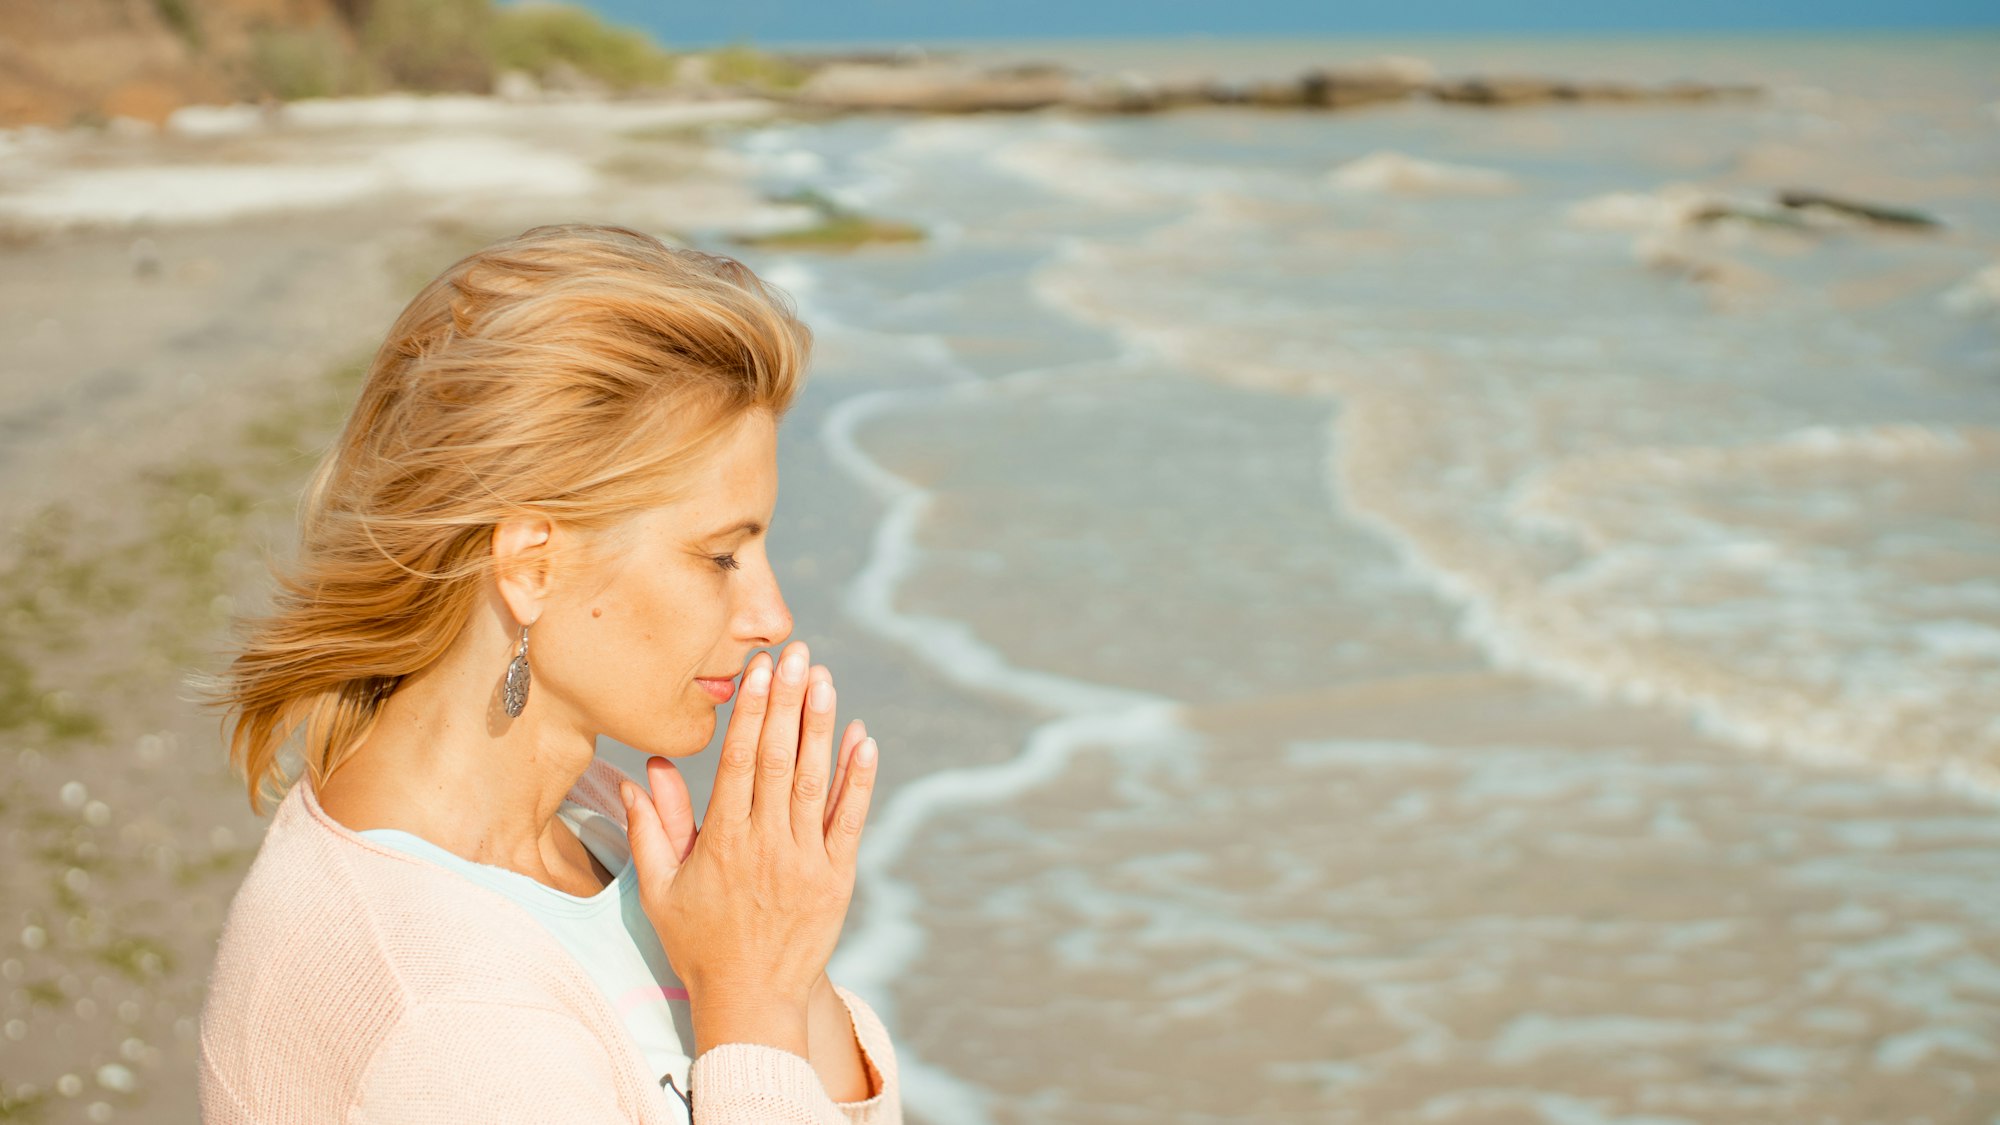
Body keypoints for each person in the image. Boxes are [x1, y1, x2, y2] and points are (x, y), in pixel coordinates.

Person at [193, 223, 900, 1124]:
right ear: (531, 564)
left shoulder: (595, 825)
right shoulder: (448, 1016)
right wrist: (751, 995)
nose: (772, 617)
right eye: (721, 556)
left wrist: (778, 952)